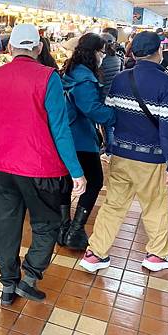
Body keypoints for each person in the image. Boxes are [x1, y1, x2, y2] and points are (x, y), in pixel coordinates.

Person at [0, 24, 86, 304]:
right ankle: (30, 277)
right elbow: (60, 129)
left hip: (2, 167)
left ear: (10, 49)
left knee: (6, 225)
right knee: (46, 223)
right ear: (38, 49)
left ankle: (7, 287)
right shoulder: (48, 78)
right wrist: (76, 172)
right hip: (39, 167)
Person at [80, 31, 168, 273]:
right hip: (151, 159)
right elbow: (167, 128)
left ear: (133, 53)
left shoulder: (122, 79)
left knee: (113, 205)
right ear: (158, 53)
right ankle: (157, 254)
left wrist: (111, 147)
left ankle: (95, 254)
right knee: (154, 205)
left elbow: (111, 117)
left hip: (121, 156)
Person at [60, 33, 116, 250]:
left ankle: (63, 228)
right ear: (93, 52)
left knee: (65, 182)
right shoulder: (84, 77)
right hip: (80, 137)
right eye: (102, 51)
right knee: (94, 181)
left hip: (66, 136)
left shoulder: (71, 71)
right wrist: (114, 116)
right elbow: (91, 108)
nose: (103, 56)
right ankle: (74, 231)